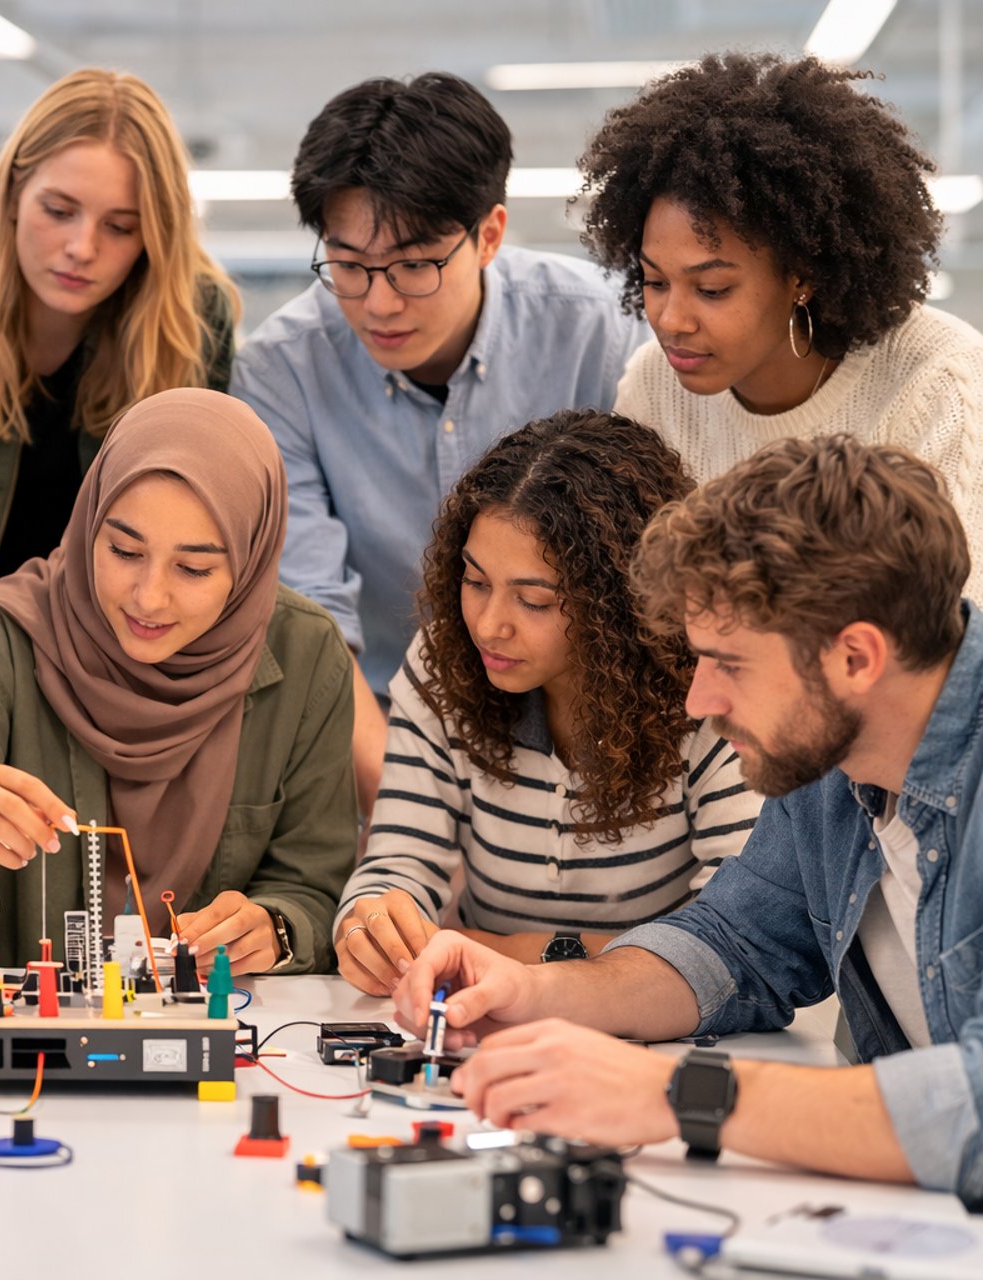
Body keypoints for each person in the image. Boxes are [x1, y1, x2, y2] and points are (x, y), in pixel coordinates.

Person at [394, 435, 983, 1207]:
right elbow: (734, 943)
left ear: (856, 657)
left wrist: (678, 1092)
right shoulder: (833, 761)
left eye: (730, 665)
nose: (699, 701)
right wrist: (536, 992)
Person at [235, 72, 645, 817]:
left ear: (488, 234)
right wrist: (408, 823)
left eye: (416, 264)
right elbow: (315, 629)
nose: (379, 302)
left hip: (589, 731)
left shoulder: (600, 334)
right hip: (380, 732)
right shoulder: (281, 371)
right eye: (349, 266)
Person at [0, 388, 355, 977]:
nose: (149, 597)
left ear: (251, 561)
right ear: (87, 524)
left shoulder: (307, 654)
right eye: (124, 550)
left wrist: (273, 928)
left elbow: (315, 889)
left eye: (194, 568)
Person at [333, 411, 759, 994]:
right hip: (482, 1011)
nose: (488, 625)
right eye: (475, 581)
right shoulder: (444, 664)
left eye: (533, 600)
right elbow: (398, 861)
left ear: (620, 602)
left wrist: (525, 955)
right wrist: (373, 925)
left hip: (661, 1021)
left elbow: (739, 931)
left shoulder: (707, 692)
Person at [0, 68, 239, 711]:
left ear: (155, 233)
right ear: (13, 192)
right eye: (59, 211)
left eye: (120, 226)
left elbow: (201, 538)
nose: (81, 248)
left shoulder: (191, 324)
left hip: (114, 677)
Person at [586, 52, 983, 596]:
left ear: (802, 275)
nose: (671, 320)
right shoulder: (655, 388)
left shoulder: (938, 380)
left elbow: (954, 632)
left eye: (712, 289)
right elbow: (630, 599)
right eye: (655, 281)